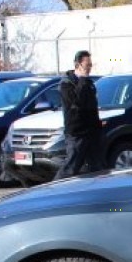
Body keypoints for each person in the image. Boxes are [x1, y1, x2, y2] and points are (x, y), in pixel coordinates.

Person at [54, 50, 105, 180]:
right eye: (87, 65)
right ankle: (55, 190)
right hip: (77, 133)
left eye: (90, 65)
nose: (89, 69)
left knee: (97, 167)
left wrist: (98, 125)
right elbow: (77, 104)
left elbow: (92, 108)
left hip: (91, 132)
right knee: (71, 167)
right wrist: (82, 79)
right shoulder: (66, 84)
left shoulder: (89, 83)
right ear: (78, 65)